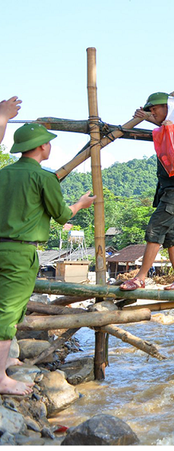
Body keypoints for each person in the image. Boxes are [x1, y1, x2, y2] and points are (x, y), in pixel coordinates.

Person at [0, 122, 95, 395]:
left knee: (10, 307)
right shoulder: (44, 178)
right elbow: (63, 215)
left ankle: (7, 359)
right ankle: (1, 379)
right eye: (48, 142)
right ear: (42, 146)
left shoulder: (3, 174)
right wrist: (81, 204)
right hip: (21, 251)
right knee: (7, 313)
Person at [120, 92, 174, 291]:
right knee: (172, 236)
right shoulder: (169, 127)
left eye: (155, 109)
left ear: (168, 109)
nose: (153, 112)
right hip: (167, 188)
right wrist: (147, 117)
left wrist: (164, 125)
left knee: (155, 228)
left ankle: (140, 278)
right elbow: (163, 124)